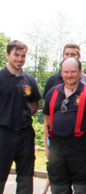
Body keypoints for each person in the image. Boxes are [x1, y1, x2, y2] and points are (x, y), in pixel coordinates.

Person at [42, 58, 86, 193]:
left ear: (80, 72)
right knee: (59, 186)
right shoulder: (53, 92)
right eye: (65, 72)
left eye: (73, 71)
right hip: (57, 147)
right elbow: (48, 117)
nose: (69, 75)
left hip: (81, 148)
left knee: (82, 188)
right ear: (61, 73)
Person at [0, 40, 41, 194]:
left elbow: (34, 105)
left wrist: (20, 116)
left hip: (25, 134)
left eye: (23, 56)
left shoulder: (29, 80)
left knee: (25, 177)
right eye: (16, 55)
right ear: (7, 55)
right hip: (3, 133)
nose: (19, 59)